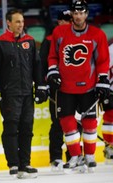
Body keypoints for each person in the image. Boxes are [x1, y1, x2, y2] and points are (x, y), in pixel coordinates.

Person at [47, 0, 110, 172]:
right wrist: (53, 72)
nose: (78, 16)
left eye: (81, 13)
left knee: (89, 123)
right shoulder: (59, 32)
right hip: (65, 87)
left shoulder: (97, 35)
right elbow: (52, 57)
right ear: (72, 15)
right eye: (75, 13)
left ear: (86, 14)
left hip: (88, 87)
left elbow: (103, 61)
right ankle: (75, 156)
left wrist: (102, 79)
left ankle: (89, 156)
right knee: (67, 123)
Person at [0, 9, 48, 179]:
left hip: (27, 93)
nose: (21, 25)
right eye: (17, 22)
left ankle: (25, 163)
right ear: (8, 23)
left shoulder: (29, 41)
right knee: (11, 128)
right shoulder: (0, 43)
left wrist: (41, 86)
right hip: (9, 94)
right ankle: (13, 164)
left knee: (27, 128)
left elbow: (37, 66)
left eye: (22, 21)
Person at [39, 10, 71, 171]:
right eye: (65, 20)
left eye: (70, 20)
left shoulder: (77, 39)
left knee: (75, 124)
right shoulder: (50, 40)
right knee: (58, 124)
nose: (68, 22)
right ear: (59, 22)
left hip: (74, 89)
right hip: (56, 90)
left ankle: (73, 156)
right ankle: (56, 158)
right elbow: (42, 66)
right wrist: (44, 84)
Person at [102, 43, 113, 161]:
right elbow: (104, 69)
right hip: (110, 90)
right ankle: (110, 145)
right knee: (110, 116)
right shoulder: (111, 50)